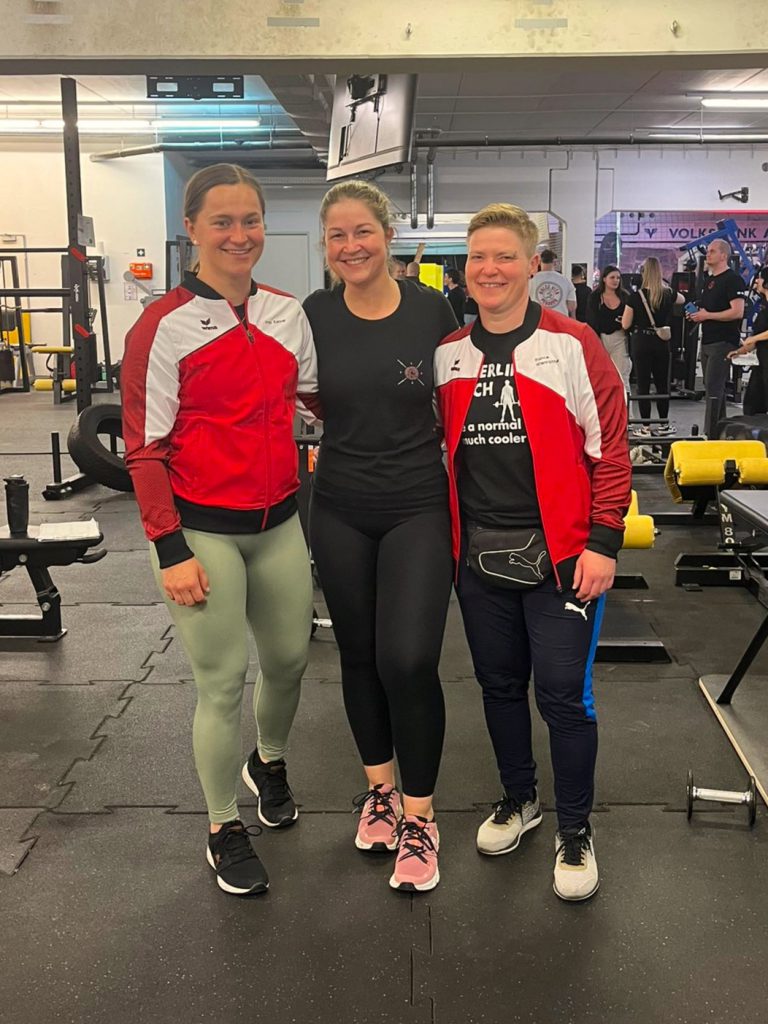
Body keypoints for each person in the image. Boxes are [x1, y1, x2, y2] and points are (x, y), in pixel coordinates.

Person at [121, 164, 320, 898]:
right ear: (193, 229)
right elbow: (144, 448)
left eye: (251, 220)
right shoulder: (162, 325)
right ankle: (222, 825)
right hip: (200, 527)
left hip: (279, 521)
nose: (240, 235)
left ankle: (267, 761)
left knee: (291, 661)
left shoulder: (286, 314)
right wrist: (169, 548)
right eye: (223, 222)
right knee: (223, 680)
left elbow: (319, 401)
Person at [434, 202, 631, 902]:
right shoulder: (449, 354)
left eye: (504, 256)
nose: (489, 269)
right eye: (477, 257)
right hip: (479, 558)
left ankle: (575, 829)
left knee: (562, 698)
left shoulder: (573, 343)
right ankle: (520, 799)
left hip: (564, 558)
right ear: (465, 267)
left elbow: (611, 449)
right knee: (498, 687)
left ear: (530, 264)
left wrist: (603, 542)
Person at [303, 179, 458, 893]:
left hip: (417, 504)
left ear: (388, 236)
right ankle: (381, 793)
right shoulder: (313, 314)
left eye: (362, 231)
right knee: (360, 655)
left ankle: (422, 818)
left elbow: (462, 398)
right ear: (326, 245)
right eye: (337, 235)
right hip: (338, 505)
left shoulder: (431, 309)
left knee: (409, 658)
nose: (351, 246)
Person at [687, 239, 746, 435]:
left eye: (712, 251)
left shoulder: (733, 280)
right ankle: (719, 431)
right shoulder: (709, 281)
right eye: (708, 251)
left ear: (723, 255)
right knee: (712, 389)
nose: (708, 254)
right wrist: (697, 314)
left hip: (723, 341)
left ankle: (710, 433)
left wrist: (708, 316)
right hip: (707, 340)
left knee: (713, 389)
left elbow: (737, 311)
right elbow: (706, 309)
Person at [622, 257, 683, 437]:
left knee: (643, 385)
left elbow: (625, 323)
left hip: (641, 342)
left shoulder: (636, 297)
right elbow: (682, 299)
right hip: (661, 342)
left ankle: (646, 426)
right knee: (662, 384)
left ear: (644, 273)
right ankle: (663, 424)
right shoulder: (668, 294)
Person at [727, 267, 768, 414]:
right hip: (762, 363)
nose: (756, 281)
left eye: (760, 278)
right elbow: (756, 340)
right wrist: (740, 351)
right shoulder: (763, 309)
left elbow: (758, 336)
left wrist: (753, 338)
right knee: (752, 405)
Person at [587, 265, 631, 392]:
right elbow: (591, 320)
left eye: (618, 278)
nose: (616, 280)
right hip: (601, 338)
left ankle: (625, 403)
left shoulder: (625, 297)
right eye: (612, 277)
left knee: (622, 374)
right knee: (601, 375)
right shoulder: (595, 297)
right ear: (604, 279)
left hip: (620, 338)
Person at [529, 248, 576, 317]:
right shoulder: (566, 281)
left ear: (539, 262)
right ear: (555, 262)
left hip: (538, 319)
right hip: (560, 319)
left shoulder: (531, 280)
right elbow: (571, 306)